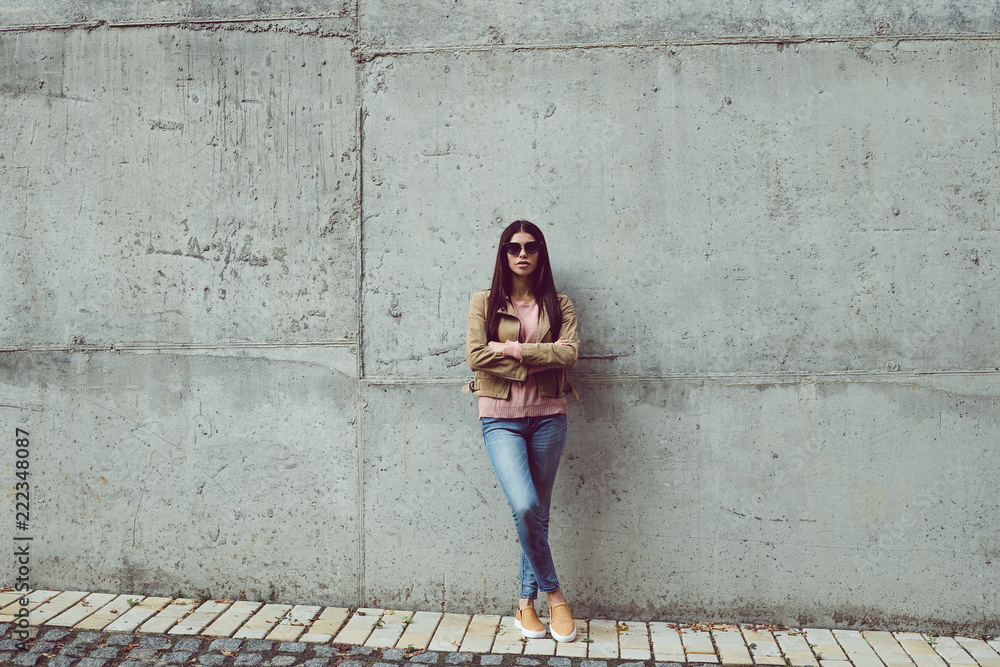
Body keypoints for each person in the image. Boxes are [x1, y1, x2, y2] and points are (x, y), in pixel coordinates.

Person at [464, 220, 580, 642]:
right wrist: (535, 360)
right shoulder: (485, 302)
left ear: (540, 253)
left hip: (550, 415)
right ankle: (556, 597)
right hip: (500, 417)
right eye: (513, 248)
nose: (522, 254)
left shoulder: (559, 303)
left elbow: (569, 355)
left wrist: (513, 350)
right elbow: (475, 355)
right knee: (527, 506)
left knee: (538, 517)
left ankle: (524, 604)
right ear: (503, 254)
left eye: (530, 247)